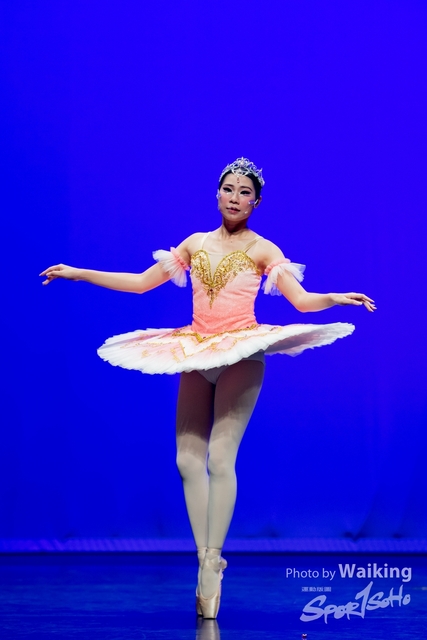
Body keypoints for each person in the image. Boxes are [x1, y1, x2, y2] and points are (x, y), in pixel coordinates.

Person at [40, 157, 375, 619]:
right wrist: (79, 272)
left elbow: (299, 301)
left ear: (256, 202)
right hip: (196, 351)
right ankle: (206, 560)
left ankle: (213, 562)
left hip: (240, 353)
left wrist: (334, 297)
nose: (235, 198)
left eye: (244, 192)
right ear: (217, 194)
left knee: (219, 458)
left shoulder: (263, 249)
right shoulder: (195, 243)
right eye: (229, 189)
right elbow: (140, 283)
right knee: (186, 460)